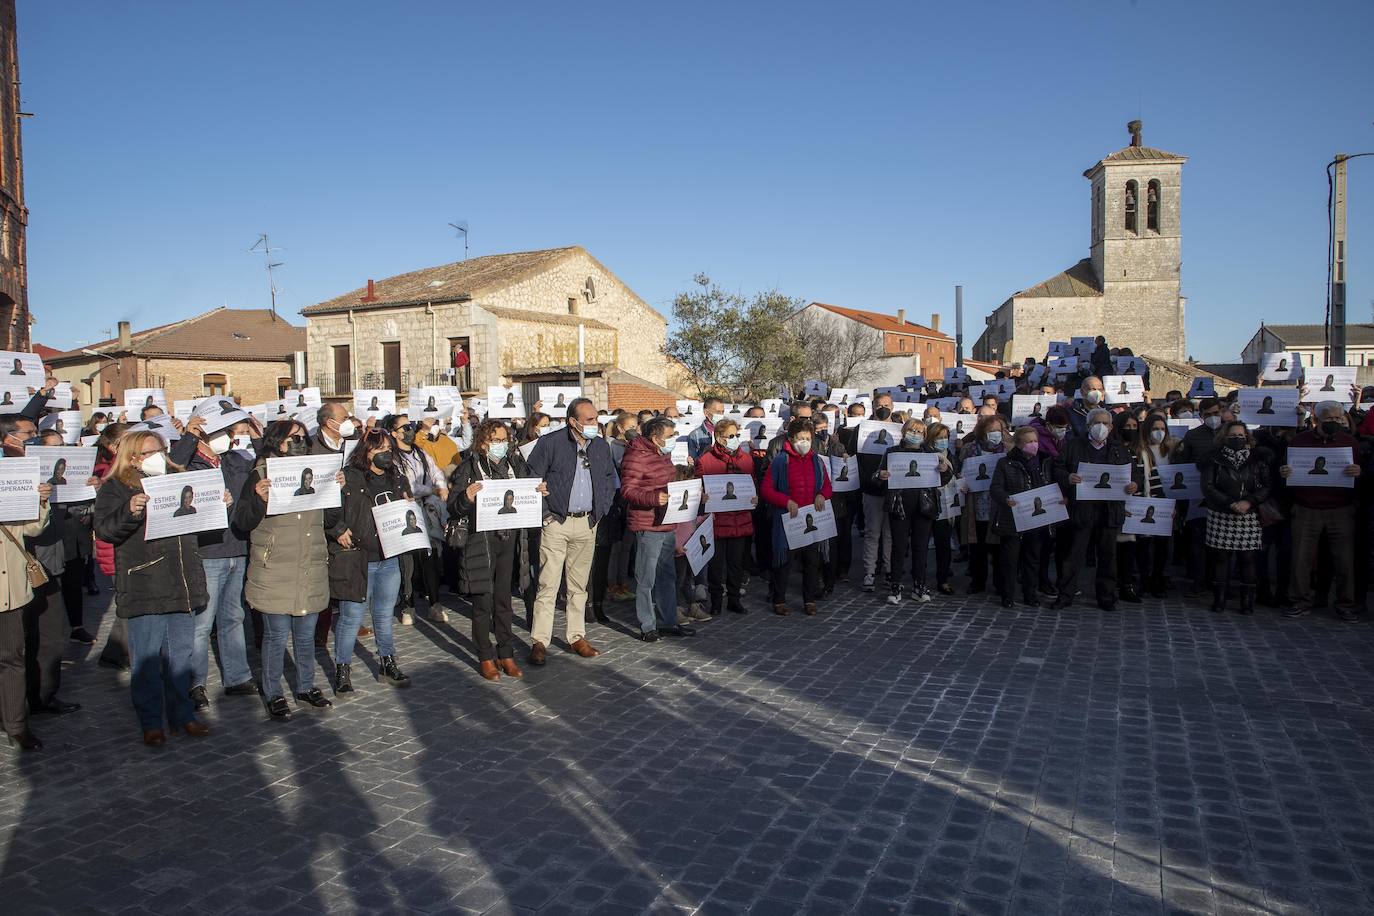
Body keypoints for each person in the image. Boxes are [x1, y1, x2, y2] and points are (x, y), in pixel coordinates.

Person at [93, 431, 214, 746]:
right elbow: (105, 529)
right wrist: (131, 511)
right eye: (150, 451)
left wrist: (216, 503)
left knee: (180, 657)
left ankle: (182, 716)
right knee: (147, 659)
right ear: (133, 457)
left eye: (161, 449)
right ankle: (150, 721)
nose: (158, 455)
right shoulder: (116, 487)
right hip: (145, 582)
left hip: (182, 581)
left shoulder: (178, 478)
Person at [235, 420, 336, 719]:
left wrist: (336, 491)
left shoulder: (317, 473)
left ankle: (305, 686)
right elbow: (242, 521)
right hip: (275, 565)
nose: (301, 442)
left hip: (309, 564)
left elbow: (330, 519)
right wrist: (258, 498)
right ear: (277, 442)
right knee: (276, 635)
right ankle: (274, 692)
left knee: (306, 636)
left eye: (304, 437)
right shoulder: (260, 474)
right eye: (294, 438)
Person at [525, 398, 617, 664]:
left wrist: (600, 510)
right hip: (556, 522)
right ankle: (540, 640)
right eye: (588, 420)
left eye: (595, 419)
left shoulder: (600, 446)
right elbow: (532, 479)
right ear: (572, 422)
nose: (594, 424)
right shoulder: (550, 443)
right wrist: (545, 515)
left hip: (587, 523)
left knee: (579, 586)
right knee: (548, 584)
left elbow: (610, 479)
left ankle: (576, 635)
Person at [449, 419, 542, 681]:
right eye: (495, 440)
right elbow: (453, 507)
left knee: (503, 600)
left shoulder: (515, 465)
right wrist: (466, 497)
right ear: (482, 442)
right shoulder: (469, 467)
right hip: (480, 541)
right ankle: (485, 656)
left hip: (509, 540)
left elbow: (527, 490)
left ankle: (506, 652)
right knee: (482, 602)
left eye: (504, 440)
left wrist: (538, 492)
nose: (501, 445)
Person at [326, 428, 414, 693]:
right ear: (366, 452)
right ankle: (343, 669)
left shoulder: (396, 477)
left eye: (388, 449)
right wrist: (338, 529)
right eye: (379, 449)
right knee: (351, 616)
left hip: (389, 556)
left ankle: (387, 662)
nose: (385, 454)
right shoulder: (350, 478)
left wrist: (409, 504)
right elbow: (329, 511)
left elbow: (407, 507)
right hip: (358, 557)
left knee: (384, 614)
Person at [181, 419, 260, 712]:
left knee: (233, 617)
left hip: (236, 546)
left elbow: (260, 465)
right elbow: (173, 472)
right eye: (225, 432)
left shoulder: (233, 461)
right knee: (201, 623)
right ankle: (194, 682)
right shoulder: (189, 464)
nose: (230, 438)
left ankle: (237, 676)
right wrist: (189, 437)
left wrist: (257, 433)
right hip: (208, 551)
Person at [1280, 401, 1362, 621]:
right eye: (1329, 419)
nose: (1334, 422)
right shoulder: (1299, 441)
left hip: (1341, 508)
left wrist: (1358, 471)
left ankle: (1345, 603)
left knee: (1344, 559)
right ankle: (1299, 600)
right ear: (1317, 420)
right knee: (1301, 559)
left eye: (1338, 418)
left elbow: (1364, 474)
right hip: (1307, 507)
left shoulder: (1350, 442)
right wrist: (1285, 472)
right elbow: (1285, 471)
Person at [621, 416, 697, 641]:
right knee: (646, 578)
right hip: (648, 524)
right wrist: (654, 498)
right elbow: (627, 491)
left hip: (668, 522)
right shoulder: (636, 456)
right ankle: (648, 625)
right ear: (655, 438)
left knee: (667, 575)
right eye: (670, 436)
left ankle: (668, 622)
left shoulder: (663, 454)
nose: (673, 439)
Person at [1054, 408, 1137, 612]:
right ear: (1088, 426)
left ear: (1111, 427)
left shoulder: (1119, 449)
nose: (1101, 427)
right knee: (1074, 554)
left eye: (1105, 423)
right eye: (1096, 423)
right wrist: (1068, 477)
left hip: (1109, 510)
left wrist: (1133, 485)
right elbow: (1057, 468)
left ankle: (1106, 596)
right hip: (1082, 509)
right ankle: (1065, 594)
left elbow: (1132, 474)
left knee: (1108, 556)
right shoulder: (1073, 445)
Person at [761, 417, 833, 616]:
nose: (805, 442)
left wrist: (822, 495)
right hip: (788, 520)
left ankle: (809, 600)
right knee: (784, 562)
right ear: (791, 439)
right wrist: (785, 501)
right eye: (801, 438)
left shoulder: (817, 461)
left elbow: (827, 486)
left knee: (811, 562)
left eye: (808, 438)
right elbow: (766, 489)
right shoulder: (780, 461)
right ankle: (779, 599)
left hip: (811, 518)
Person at [1200, 421, 1271, 614]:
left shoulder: (1258, 458)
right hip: (1221, 511)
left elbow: (1266, 486)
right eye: (1233, 435)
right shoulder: (1214, 458)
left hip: (1248, 513)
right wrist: (1229, 503)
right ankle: (1219, 598)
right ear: (1224, 437)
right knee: (1221, 557)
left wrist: (1249, 502)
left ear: (1247, 437)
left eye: (1241, 435)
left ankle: (1247, 601)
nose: (1237, 438)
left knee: (1247, 557)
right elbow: (1208, 486)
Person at [879, 419, 950, 605]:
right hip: (900, 505)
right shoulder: (892, 452)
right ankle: (895, 584)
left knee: (921, 547)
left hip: (924, 506)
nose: (915, 434)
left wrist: (944, 470)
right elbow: (876, 475)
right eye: (912, 430)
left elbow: (944, 478)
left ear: (925, 435)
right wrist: (881, 475)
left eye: (920, 432)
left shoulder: (931, 453)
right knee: (899, 546)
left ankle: (919, 584)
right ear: (904, 431)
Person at [695, 418, 755, 615]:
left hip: (740, 518)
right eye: (731, 436)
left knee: (736, 564)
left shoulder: (746, 459)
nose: (735, 439)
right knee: (716, 565)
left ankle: (734, 599)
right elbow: (698, 487)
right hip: (716, 520)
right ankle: (716, 601)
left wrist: (754, 497)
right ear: (719, 438)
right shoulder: (705, 460)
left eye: (737, 435)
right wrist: (701, 497)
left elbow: (752, 483)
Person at [990, 425, 1051, 608]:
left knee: (1032, 559)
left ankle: (1030, 594)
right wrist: (1005, 498)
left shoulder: (1043, 461)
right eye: (1029, 442)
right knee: (1010, 560)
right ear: (1018, 444)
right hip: (1013, 519)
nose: (1033, 445)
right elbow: (995, 488)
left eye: (1035, 441)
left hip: (1036, 518)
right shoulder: (1005, 463)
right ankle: (1007, 595)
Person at [958, 415, 1010, 595]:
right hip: (977, 503)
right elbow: (961, 472)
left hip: (998, 505)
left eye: (999, 431)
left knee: (998, 547)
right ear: (982, 433)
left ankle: (1000, 583)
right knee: (978, 545)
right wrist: (962, 484)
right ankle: (977, 581)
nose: (995, 435)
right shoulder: (969, 449)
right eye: (991, 431)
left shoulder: (1008, 450)